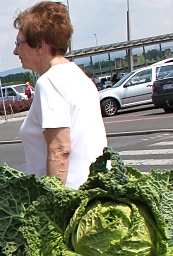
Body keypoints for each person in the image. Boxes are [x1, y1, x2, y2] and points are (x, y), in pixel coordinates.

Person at [14, 1, 107, 189]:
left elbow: (60, 149)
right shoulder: (79, 76)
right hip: (94, 191)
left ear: (40, 46)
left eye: (19, 43)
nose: (15, 51)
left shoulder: (49, 82)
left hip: (71, 197)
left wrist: (53, 204)